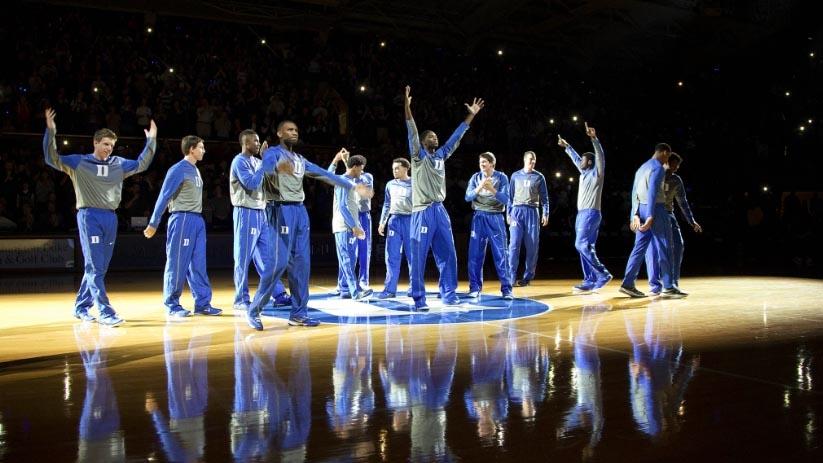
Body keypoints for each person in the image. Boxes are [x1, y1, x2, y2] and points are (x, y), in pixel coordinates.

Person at [245, 120, 372, 330]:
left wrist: (352, 186)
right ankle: (254, 310)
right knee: (278, 263)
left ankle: (298, 314)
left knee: (302, 264)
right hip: (280, 209)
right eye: (289, 129)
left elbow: (325, 174)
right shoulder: (273, 153)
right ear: (279, 133)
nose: (294, 132)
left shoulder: (300, 159)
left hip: (299, 211)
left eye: (296, 129)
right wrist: (276, 166)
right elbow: (265, 169)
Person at [43, 108, 156, 326]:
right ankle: (105, 312)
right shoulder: (79, 162)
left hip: (110, 218)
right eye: (105, 144)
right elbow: (51, 158)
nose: (108, 148)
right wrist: (51, 131)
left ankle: (81, 306)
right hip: (89, 217)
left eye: (111, 145)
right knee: (95, 266)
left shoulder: (118, 164)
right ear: (95, 143)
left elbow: (142, 163)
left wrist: (151, 140)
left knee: (99, 267)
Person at [404, 85, 484, 310]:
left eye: (435, 135)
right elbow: (411, 130)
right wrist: (407, 108)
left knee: (448, 252)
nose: (435, 137)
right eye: (430, 136)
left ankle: (449, 292)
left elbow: (455, 138)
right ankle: (419, 298)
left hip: (439, 210)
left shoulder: (440, 155)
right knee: (419, 257)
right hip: (421, 210)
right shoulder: (417, 156)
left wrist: (471, 115)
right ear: (422, 141)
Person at [144, 136, 223, 318]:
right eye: (201, 147)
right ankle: (172, 304)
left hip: (196, 220)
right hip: (182, 219)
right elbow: (164, 196)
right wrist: (154, 223)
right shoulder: (178, 169)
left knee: (198, 264)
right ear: (191, 149)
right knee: (177, 262)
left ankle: (203, 303)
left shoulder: (195, 170)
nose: (204, 151)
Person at [229, 129, 290, 312]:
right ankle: (241, 299)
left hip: (261, 211)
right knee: (243, 257)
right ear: (245, 143)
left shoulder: (257, 161)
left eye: (258, 141)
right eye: (254, 141)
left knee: (267, 257)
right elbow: (252, 183)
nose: (258, 143)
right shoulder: (239, 161)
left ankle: (278, 295)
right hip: (245, 212)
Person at [619, 143, 686, 298]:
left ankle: (628, 283)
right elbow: (653, 192)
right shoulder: (658, 167)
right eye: (668, 156)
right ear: (664, 153)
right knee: (665, 246)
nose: (668, 161)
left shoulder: (641, 168)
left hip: (640, 208)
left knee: (639, 248)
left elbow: (634, 192)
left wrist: (634, 215)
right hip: (656, 209)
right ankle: (668, 287)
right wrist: (650, 215)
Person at [558, 122, 612, 293]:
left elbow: (600, 157)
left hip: (590, 213)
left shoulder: (597, 173)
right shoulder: (584, 173)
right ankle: (589, 280)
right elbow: (575, 159)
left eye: (583, 159)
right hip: (583, 214)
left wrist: (594, 139)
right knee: (587, 247)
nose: (579, 161)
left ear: (589, 162)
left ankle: (602, 274)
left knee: (581, 244)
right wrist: (567, 147)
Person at [645, 152, 703, 294]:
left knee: (678, 245)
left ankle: (672, 283)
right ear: (667, 162)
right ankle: (656, 285)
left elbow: (683, 202)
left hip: (669, 215)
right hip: (653, 215)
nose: (677, 168)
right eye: (675, 164)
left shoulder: (676, 180)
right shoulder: (654, 174)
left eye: (678, 165)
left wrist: (691, 221)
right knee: (654, 250)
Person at [465, 152, 512, 299]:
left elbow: (506, 199)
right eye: (481, 162)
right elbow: (467, 197)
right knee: (474, 254)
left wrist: (492, 189)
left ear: (492, 163)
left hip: (495, 217)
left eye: (485, 162)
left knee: (501, 254)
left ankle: (506, 289)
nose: (482, 164)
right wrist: (479, 187)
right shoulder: (475, 177)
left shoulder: (502, 177)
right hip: (478, 217)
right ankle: (474, 287)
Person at [327, 149, 374, 294]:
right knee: (347, 256)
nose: (362, 170)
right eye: (360, 168)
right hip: (346, 221)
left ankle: (352, 284)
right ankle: (349, 288)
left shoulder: (364, 177)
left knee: (355, 254)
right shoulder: (344, 180)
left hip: (359, 217)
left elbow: (365, 192)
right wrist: (337, 160)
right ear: (356, 167)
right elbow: (342, 205)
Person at [507, 150, 550, 287]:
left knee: (532, 247)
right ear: (525, 159)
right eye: (530, 159)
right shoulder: (515, 176)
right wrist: (508, 213)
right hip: (517, 211)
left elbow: (545, 198)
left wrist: (545, 213)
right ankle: (511, 277)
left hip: (532, 211)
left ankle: (527, 277)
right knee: (514, 245)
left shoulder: (539, 177)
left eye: (534, 160)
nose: (533, 162)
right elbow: (510, 196)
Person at [376, 158, 413, 299]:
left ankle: (414, 288)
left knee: (413, 257)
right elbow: (386, 204)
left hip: (411, 220)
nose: (394, 171)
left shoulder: (415, 183)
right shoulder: (390, 184)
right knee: (391, 256)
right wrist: (382, 222)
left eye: (397, 168)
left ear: (406, 168)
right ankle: (390, 289)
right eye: (393, 168)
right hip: (394, 221)